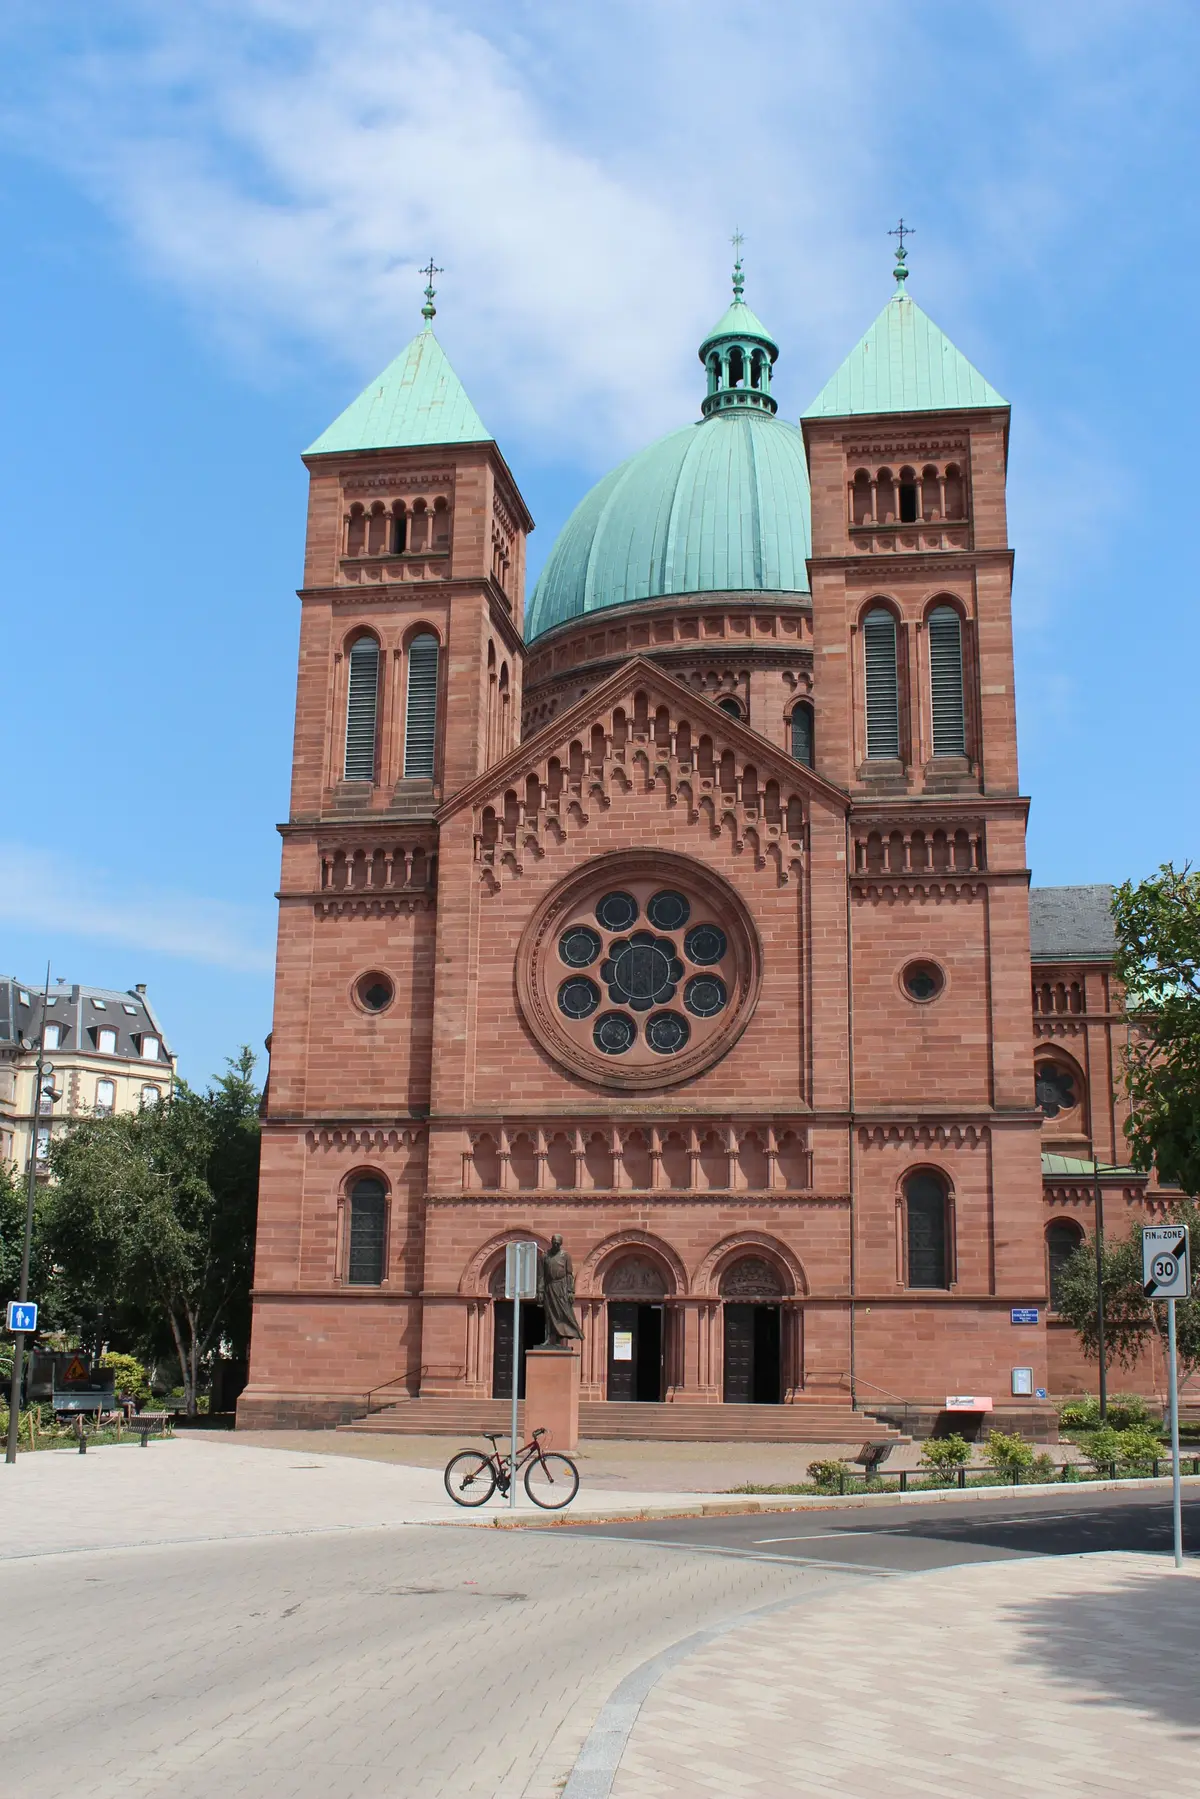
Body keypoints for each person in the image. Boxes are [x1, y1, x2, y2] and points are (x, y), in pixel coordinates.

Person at [536, 1234, 583, 1347]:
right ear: (551, 1242)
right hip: (549, 1287)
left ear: (561, 1244)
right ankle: (548, 1338)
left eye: (558, 1243)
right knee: (549, 1313)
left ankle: (558, 1339)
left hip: (561, 1287)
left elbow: (569, 1274)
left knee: (561, 1313)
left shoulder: (565, 1256)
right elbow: (541, 1275)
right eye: (554, 1242)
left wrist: (570, 1291)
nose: (556, 1244)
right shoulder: (545, 1256)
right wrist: (540, 1291)